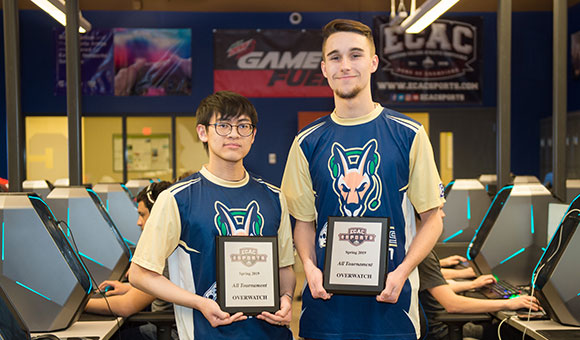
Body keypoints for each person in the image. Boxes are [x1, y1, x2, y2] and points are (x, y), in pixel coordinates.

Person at [281, 19, 445, 339]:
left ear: (372, 63)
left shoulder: (409, 134)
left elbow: (433, 218)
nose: (345, 65)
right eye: (335, 57)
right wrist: (310, 269)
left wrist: (403, 271)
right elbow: (303, 222)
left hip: (392, 307)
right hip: (326, 311)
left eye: (355, 55)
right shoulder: (306, 142)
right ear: (324, 68)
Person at [128, 91, 295, 340]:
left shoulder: (274, 197)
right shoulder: (177, 199)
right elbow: (139, 274)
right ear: (203, 132)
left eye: (243, 126)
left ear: (253, 135)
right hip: (207, 334)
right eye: (223, 125)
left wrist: (287, 298)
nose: (234, 134)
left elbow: (285, 268)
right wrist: (199, 303)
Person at [85, 181, 175, 340]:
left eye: (142, 214)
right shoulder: (170, 243)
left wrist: (80, 305)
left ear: (157, 214)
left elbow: (126, 306)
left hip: (165, 331)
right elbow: (157, 291)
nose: (138, 222)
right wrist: (127, 289)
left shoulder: (165, 252)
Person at [418, 250, 541, 340]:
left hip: (435, 326)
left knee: (496, 326)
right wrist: (508, 303)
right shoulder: (424, 255)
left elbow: (438, 287)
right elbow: (453, 304)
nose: (442, 215)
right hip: (440, 331)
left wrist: (472, 284)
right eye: (438, 212)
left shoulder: (414, 249)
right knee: (511, 333)